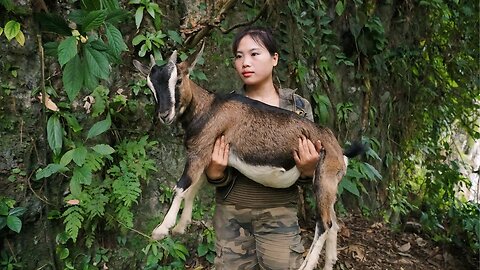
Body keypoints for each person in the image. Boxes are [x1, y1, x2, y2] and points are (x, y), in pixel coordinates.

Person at [205, 26, 323, 269]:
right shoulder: (224, 108)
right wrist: (215, 173)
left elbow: (306, 176)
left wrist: (310, 170)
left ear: (275, 58)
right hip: (232, 218)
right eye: (239, 56)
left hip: (280, 216)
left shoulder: (298, 109)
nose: (245, 62)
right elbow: (213, 167)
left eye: (254, 54)